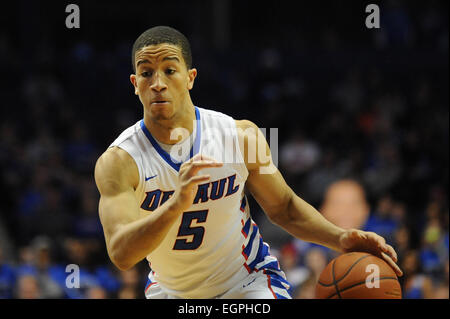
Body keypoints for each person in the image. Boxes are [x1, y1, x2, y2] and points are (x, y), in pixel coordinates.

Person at [94, 26, 402, 299]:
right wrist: (176, 204)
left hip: (247, 282)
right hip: (170, 292)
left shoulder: (241, 136)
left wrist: (340, 237)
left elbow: (284, 208)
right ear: (135, 83)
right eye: (146, 72)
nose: (157, 83)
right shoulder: (119, 161)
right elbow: (122, 254)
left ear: (190, 78)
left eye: (170, 70)